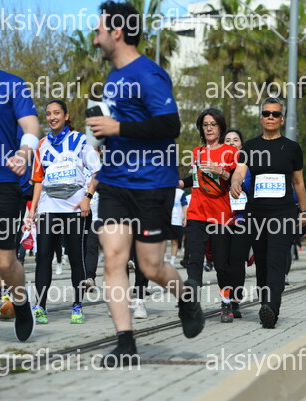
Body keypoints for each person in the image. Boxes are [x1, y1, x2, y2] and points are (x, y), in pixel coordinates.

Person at [87, 1, 204, 366]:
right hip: (114, 182)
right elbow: (118, 129)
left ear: (117, 32)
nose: (95, 39)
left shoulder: (149, 74)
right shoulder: (111, 78)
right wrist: (101, 135)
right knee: (114, 258)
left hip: (152, 183)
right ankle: (126, 343)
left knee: (150, 267)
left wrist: (117, 127)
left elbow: (170, 125)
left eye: (99, 31)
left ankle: (186, 298)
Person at [0, 21, 39, 340]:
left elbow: (30, 125)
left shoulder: (11, 85)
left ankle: (21, 302)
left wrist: (24, 153)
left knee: (2, 259)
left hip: (0, 182)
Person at [231, 97, 306, 329]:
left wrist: (304, 211)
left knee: (276, 260)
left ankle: (272, 308)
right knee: (262, 262)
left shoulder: (292, 148)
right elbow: (240, 170)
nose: (271, 117)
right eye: (266, 114)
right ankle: (265, 303)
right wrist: (235, 182)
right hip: (256, 214)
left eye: (275, 114)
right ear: (261, 118)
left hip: (283, 213)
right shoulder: (250, 146)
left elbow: (299, 183)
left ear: (282, 119)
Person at [27, 100, 101, 325]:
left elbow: (98, 171)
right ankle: (40, 306)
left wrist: (87, 198)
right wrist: (33, 209)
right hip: (49, 208)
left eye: (56, 113)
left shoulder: (81, 141)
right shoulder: (41, 145)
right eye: (49, 114)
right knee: (43, 257)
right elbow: (38, 180)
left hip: (75, 209)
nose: (52, 117)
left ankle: (77, 306)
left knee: (76, 259)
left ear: (66, 116)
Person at [179, 108, 238, 323]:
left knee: (222, 264)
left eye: (213, 124)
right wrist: (178, 183)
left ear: (221, 128)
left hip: (220, 215)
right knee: (194, 261)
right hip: (196, 214)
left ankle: (226, 302)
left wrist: (220, 170)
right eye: (205, 125)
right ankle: (193, 306)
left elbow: (235, 179)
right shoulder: (197, 152)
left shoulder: (230, 152)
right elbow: (195, 179)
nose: (209, 128)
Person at [224, 128, 252, 318]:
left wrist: (236, 181)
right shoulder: (218, 163)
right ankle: (225, 297)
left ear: (241, 144)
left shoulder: (248, 166)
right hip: (221, 218)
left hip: (243, 218)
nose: (232, 143)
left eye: (235, 140)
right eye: (228, 140)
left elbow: (251, 188)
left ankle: (234, 300)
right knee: (222, 261)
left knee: (237, 259)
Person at [167, 188, 187, 265]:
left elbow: (184, 206)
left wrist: (185, 218)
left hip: (176, 220)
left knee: (174, 241)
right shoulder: (163, 189)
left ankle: (172, 261)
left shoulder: (180, 192)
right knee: (163, 241)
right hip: (165, 219)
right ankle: (163, 258)